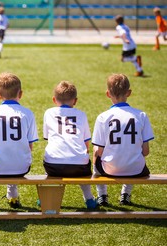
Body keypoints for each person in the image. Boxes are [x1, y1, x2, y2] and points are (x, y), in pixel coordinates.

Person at [92, 73, 154, 206]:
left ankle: (102, 195)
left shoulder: (103, 117)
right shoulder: (141, 115)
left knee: (95, 149)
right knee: (133, 151)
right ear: (129, 93)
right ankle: (126, 194)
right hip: (137, 170)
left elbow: (100, 152)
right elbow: (146, 151)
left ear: (108, 94)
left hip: (109, 169)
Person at [0, 72, 38, 210]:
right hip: (22, 168)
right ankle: (12, 195)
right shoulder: (27, 113)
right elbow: (30, 146)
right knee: (15, 152)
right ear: (21, 93)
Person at [43, 81, 96, 209]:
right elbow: (86, 143)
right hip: (79, 167)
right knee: (82, 162)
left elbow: (47, 138)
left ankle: (48, 198)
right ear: (75, 100)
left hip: (53, 165)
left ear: (54, 100)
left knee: (53, 155)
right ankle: (89, 198)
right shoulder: (81, 114)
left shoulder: (49, 112)